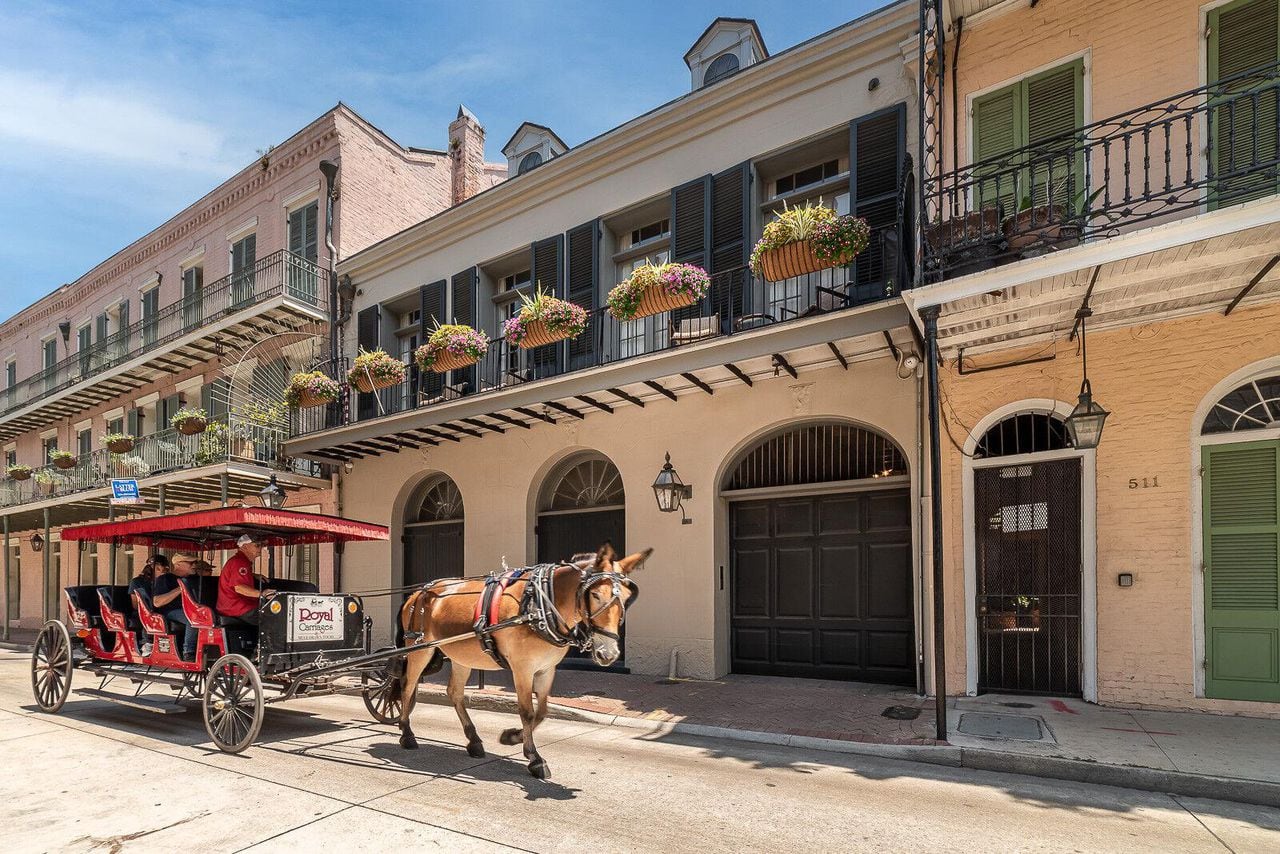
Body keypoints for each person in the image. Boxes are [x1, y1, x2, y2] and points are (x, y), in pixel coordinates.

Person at [216, 534, 274, 627]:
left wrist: (253, 575)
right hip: (237, 608)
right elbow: (239, 588)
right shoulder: (239, 562)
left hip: (235, 606)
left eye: (261, 546)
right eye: (257, 545)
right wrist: (262, 594)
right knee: (275, 618)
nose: (260, 549)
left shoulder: (241, 562)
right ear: (245, 546)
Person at [153, 553, 199, 660]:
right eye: (190, 563)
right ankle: (189, 652)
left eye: (195, 562)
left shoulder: (194, 578)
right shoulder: (165, 579)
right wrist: (181, 588)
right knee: (193, 617)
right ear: (178, 564)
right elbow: (157, 602)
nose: (194, 565)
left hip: (192, 608)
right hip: (171, 611)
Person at [127, 555, 169, 657]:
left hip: (162, 609)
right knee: (150, 613)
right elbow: (135, 605)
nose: (166, 571)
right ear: (158, 567)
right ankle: (147, 642)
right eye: (165, 569)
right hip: (142, 611)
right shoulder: (137, 582)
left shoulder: (165, 581)